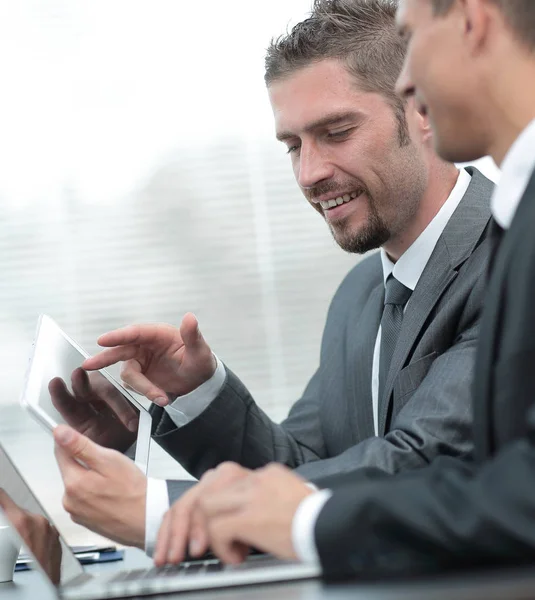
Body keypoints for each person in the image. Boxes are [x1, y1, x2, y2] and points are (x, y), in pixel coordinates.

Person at [52, 0, 495, 554]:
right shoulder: (359, 297)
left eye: (336, 132)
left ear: (422, 109)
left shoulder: (509, 258)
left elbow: (420, 462)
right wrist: (197, 393)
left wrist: (163, 513)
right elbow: (298, 472)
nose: (309, 173)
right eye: (293, 146)